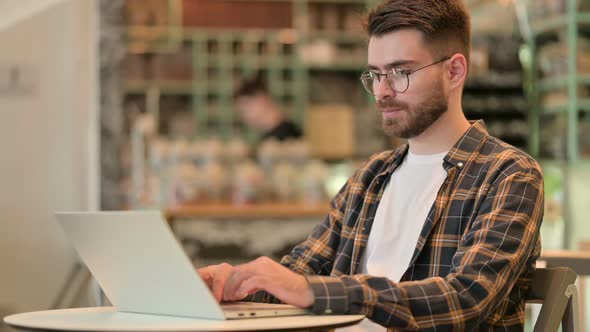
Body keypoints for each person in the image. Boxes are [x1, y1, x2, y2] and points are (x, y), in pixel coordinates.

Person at [199, 1, 544, 330]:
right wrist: (236, 283)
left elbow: (466, 299)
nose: (382, 91)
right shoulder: (371, 176)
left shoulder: (508, 174)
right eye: (376, 74)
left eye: (400, 72)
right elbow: (300, 272)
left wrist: (310, 291)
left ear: (454, 71)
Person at [234, 77, 302, 142]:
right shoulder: (278, 134)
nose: (244, 117)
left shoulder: (285, 136)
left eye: (245, 109)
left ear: (261, 99)